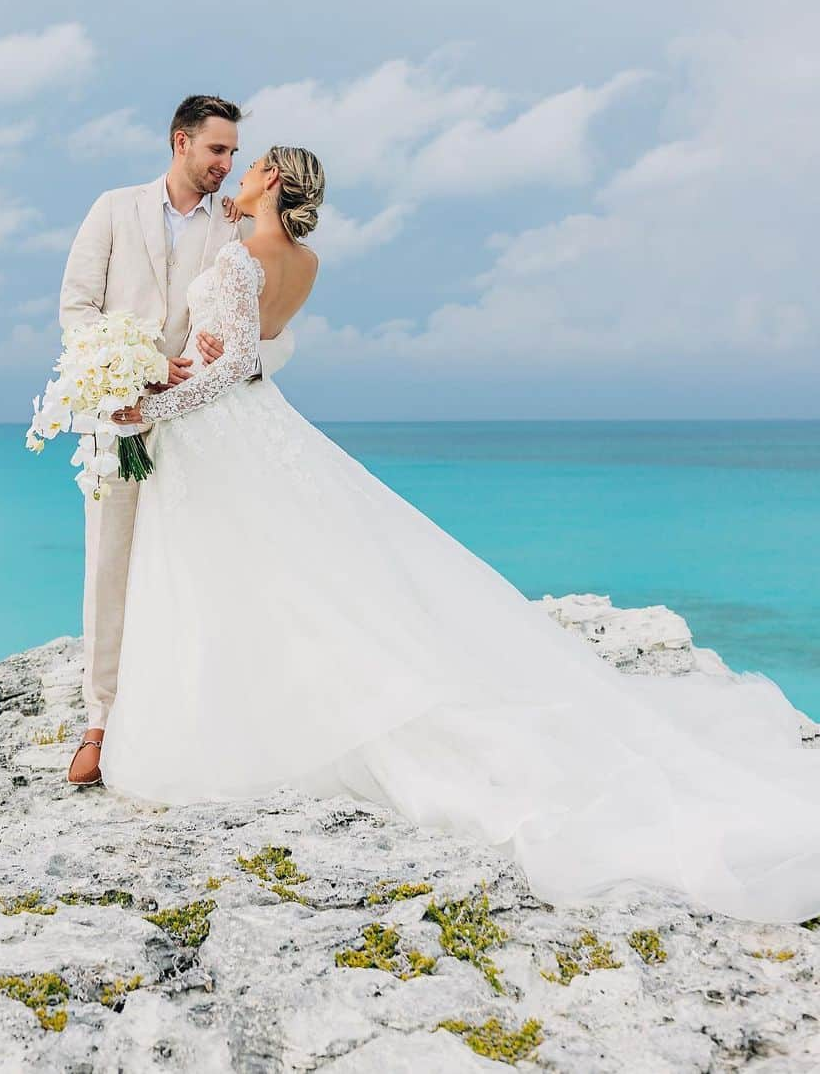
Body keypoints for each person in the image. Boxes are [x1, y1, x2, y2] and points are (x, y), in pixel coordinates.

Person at [100, 143, 820, 925]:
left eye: (250, 168)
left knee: (250, 580)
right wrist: (183, 368)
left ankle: (243, 720)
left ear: (272, 180)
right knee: (288, 577)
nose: (238, 177)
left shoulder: (242, 257)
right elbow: (259, 355)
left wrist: (150, 406)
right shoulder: (306, 263)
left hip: (227, 434)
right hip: (262, 426)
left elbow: (237, 361)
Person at [58, 95, 295, 786]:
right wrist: (136, 370)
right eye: (217, 150)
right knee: (108, 565)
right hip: (120, 417)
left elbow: (277, 331)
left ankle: (180, 718)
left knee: (190, 569)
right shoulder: (113, 208)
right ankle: (100, 719)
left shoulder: (236, 229)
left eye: (232, 154)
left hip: (198, 431)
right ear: (180, 142)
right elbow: (76, 308)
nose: (226, 164)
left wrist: (243, 357)